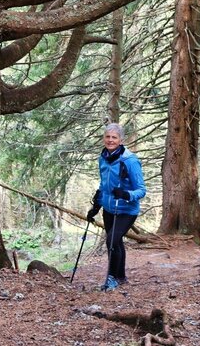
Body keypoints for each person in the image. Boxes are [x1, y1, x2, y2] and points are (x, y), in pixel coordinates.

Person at [85, 122, 147, 291]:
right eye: (107, 137)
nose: (110, 140)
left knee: (112, 240)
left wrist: (127, 194)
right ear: (103, 138)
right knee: (115, 242)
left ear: (121, 140)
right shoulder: (103, 158)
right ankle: (120, 277)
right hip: (109, 209)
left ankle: (111, 280)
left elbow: (141, 190)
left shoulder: (130, 160)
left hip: (127, 210)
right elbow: (104, 185)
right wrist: (96, 207)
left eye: (114, 137)